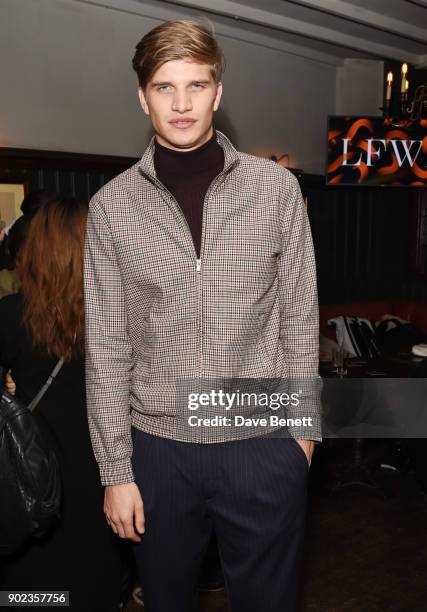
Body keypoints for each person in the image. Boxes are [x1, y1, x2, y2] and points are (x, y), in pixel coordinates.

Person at [84, 19, 322, 612]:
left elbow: (299, 313)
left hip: (263, 439)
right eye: (165, 87)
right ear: (143, 97)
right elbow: (107, 346)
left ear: (218, 92)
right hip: (158, 450)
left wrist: (302, 439)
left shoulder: (276, 191)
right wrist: (116, 471)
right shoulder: (111, 208)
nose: (182, 103)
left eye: (196, 85)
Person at [0, 197, 124, 611]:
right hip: (107, 484)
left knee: (34, 597)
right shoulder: (121, 316)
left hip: (32, 491)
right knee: (97, 590)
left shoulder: (13, 314)